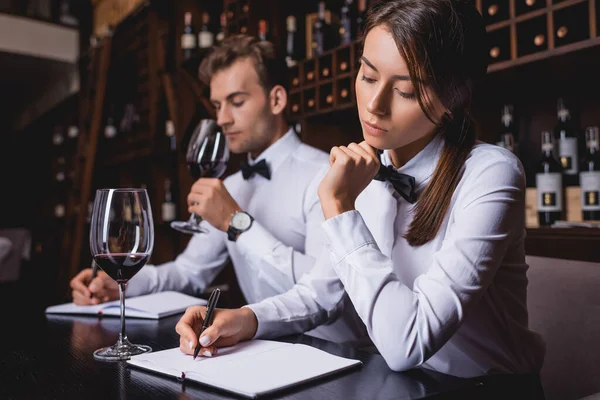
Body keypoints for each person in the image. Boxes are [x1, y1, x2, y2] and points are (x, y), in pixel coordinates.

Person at [175, 0, 546, 389]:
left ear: (451, 100)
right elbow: (319, 294)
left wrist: (338, 207)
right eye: (368, 76)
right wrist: (245, 319)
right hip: (403, 387)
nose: (373, 105)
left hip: (489, 391)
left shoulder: (491, 174)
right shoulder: (367, 173)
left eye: (404, 90)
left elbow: (407, 343)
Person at [69, 34, 368, 343]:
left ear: (277, 100)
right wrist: (121, 282)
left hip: (340, 356)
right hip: (263, 353)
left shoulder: (328, 177)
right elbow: (188, 272)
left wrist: (236, 223)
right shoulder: (230, 187)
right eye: (216, 105)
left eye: (237, 102)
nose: (222, 119)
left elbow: (325, 293)